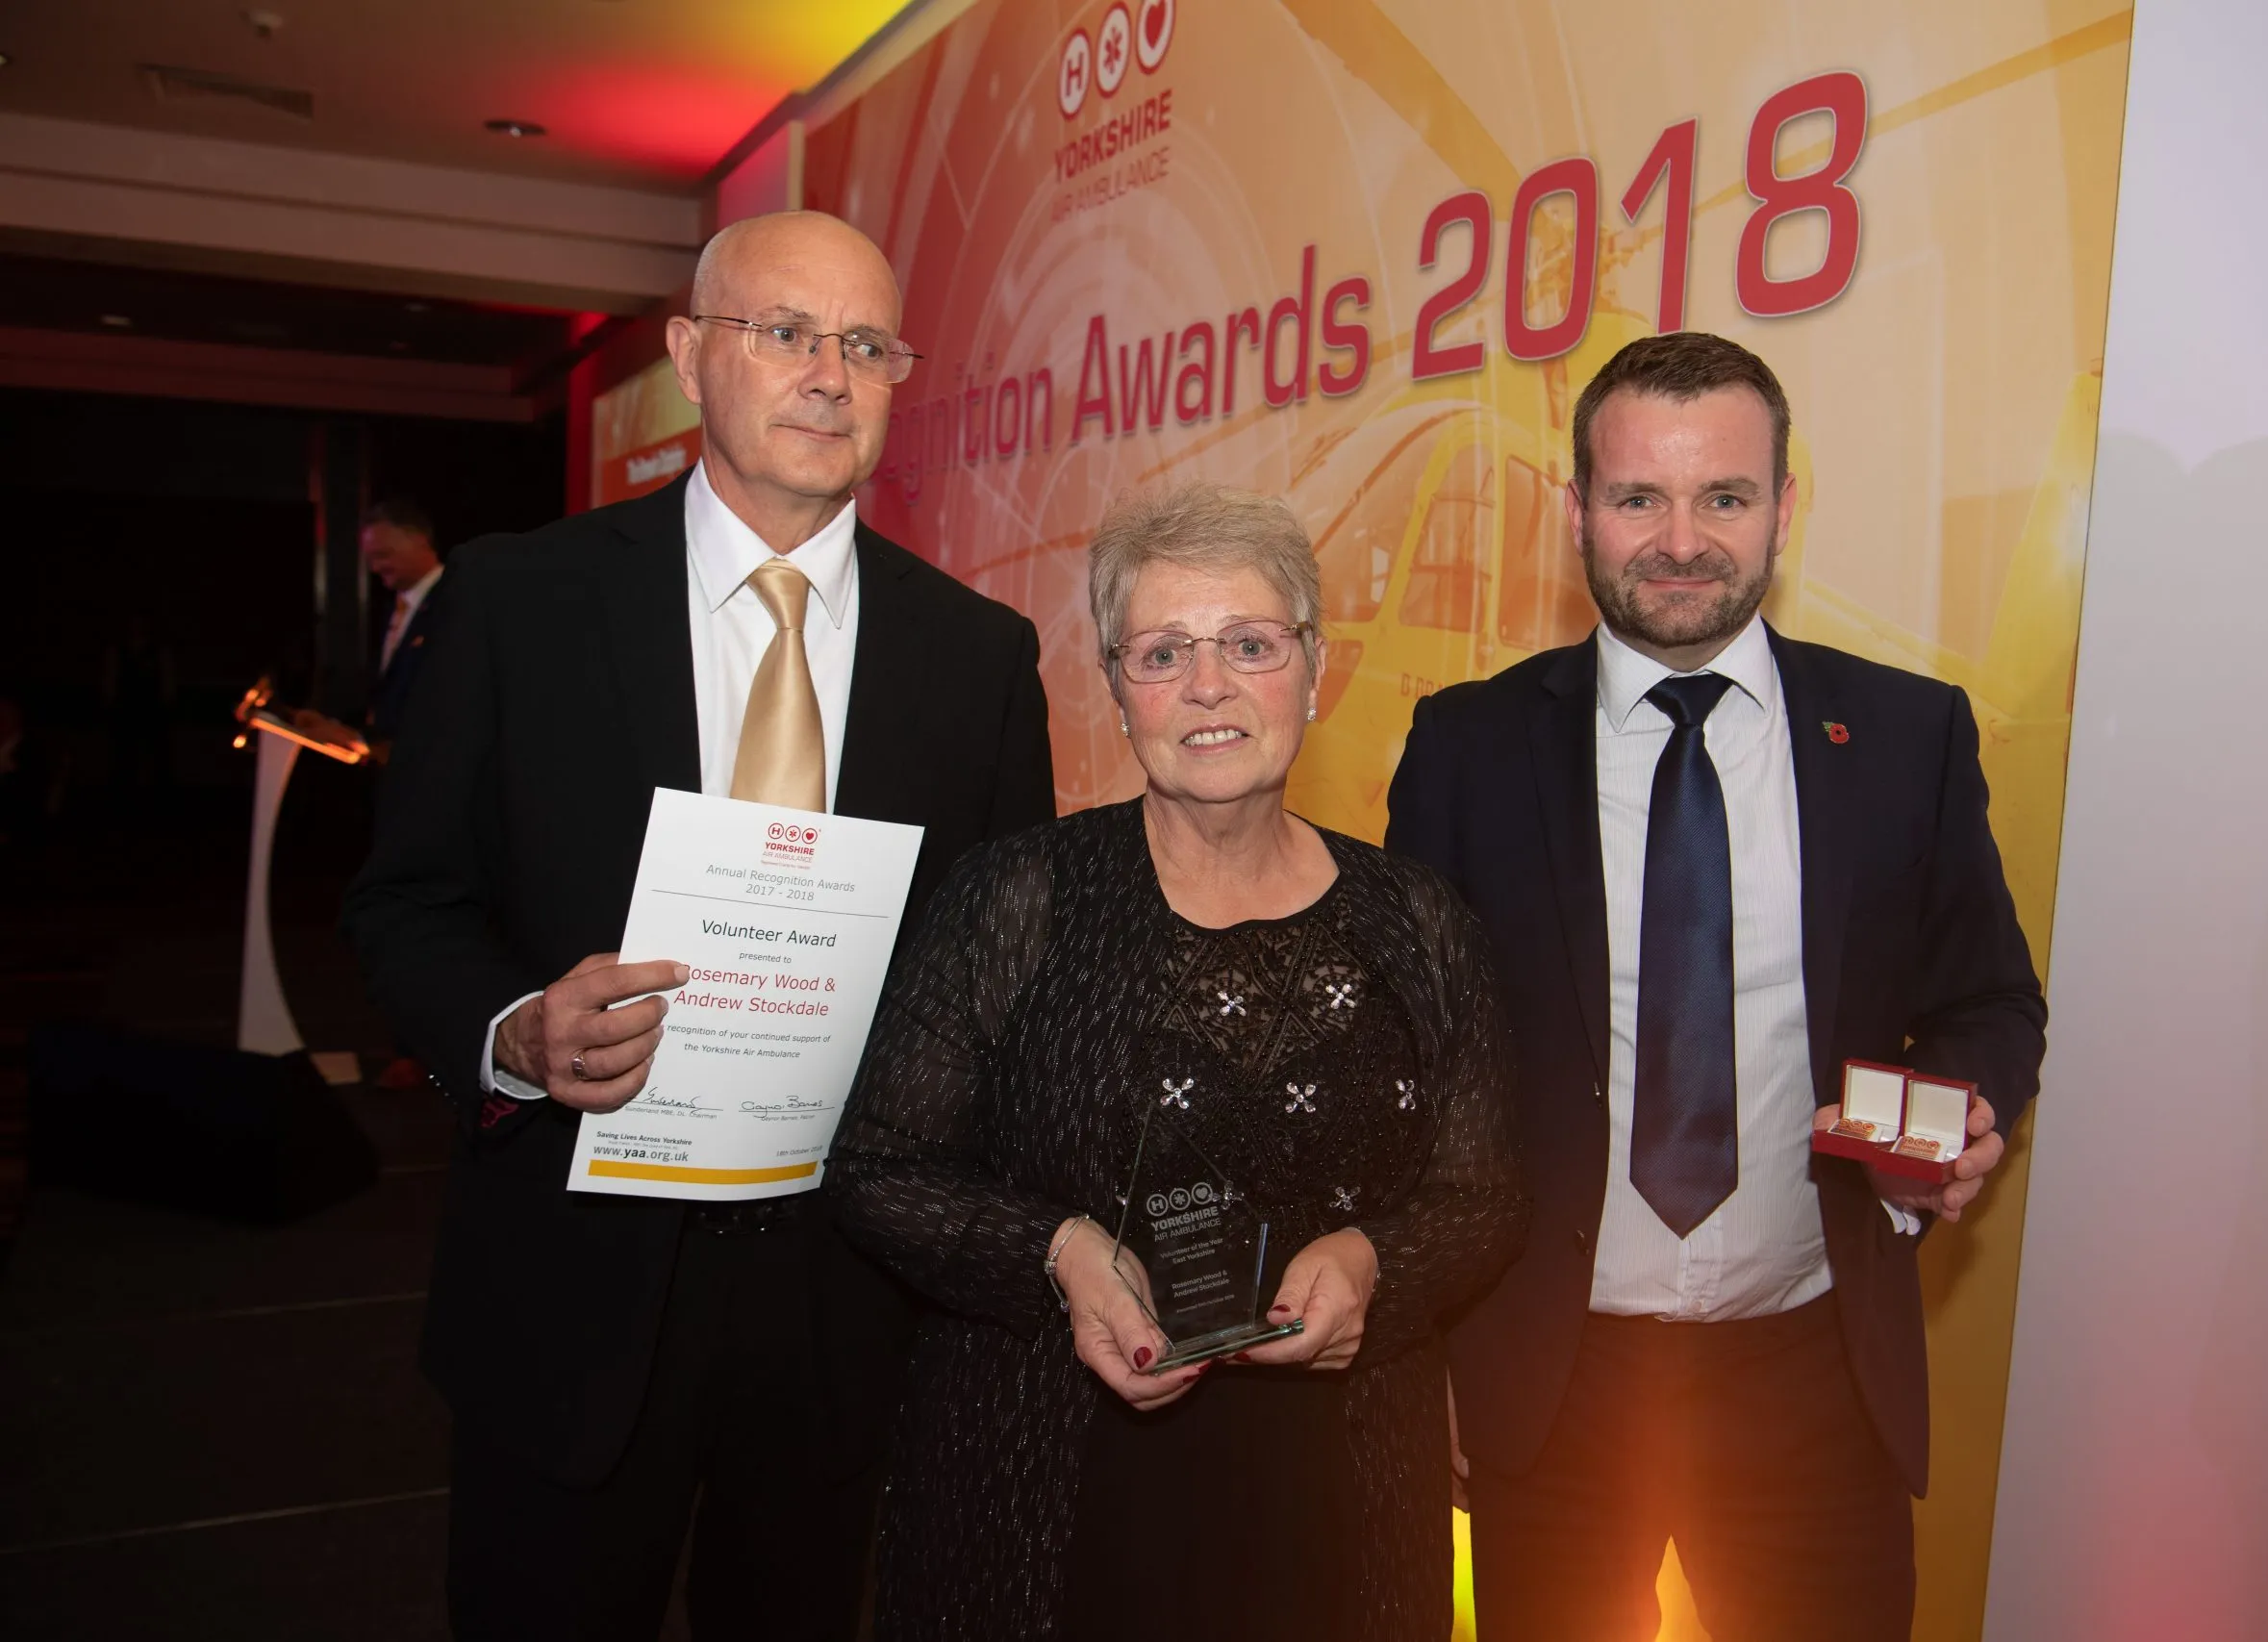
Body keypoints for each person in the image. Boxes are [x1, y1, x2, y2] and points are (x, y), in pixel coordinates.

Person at [341, 210, 1055, 1642]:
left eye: (865, 345)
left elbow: (1006, 963)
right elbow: (404, 899)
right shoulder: (518, 600)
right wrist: (510, 1030)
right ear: (687, 357)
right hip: (571, 1286)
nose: (826, 374)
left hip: (847, 1299)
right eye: (785, 332)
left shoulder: (976, 654)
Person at [1384, 332, 2047, 1642]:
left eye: (1724, 497)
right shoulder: (1466, 746)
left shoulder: (1908, 736)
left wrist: (1962, 1108)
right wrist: (1433, 1351)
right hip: (1553, 1383)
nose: (1680, 540)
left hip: (1815, 1376)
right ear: (1576, 511)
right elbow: (1412, 1070)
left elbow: (1989, 999)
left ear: (1785, 507)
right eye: (1639, 498)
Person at [822, 481, 1527, 1642]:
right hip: (1049, 1481)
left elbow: (1489, 1193)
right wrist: (1055, 1250)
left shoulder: (1419, 917)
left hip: (1342, 1488)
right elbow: (877, 1168)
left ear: (1312, 665)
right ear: (1113, 688)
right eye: (1161, 653)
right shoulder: (1016, 897)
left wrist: (1370, 1261)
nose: (1208, 687)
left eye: (1248, 644)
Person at [361, 497, 444, 750]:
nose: (375, 568)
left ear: (419, 540)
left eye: (383, 555)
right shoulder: (392, 608)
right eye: (370, 559)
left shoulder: (454, 602)